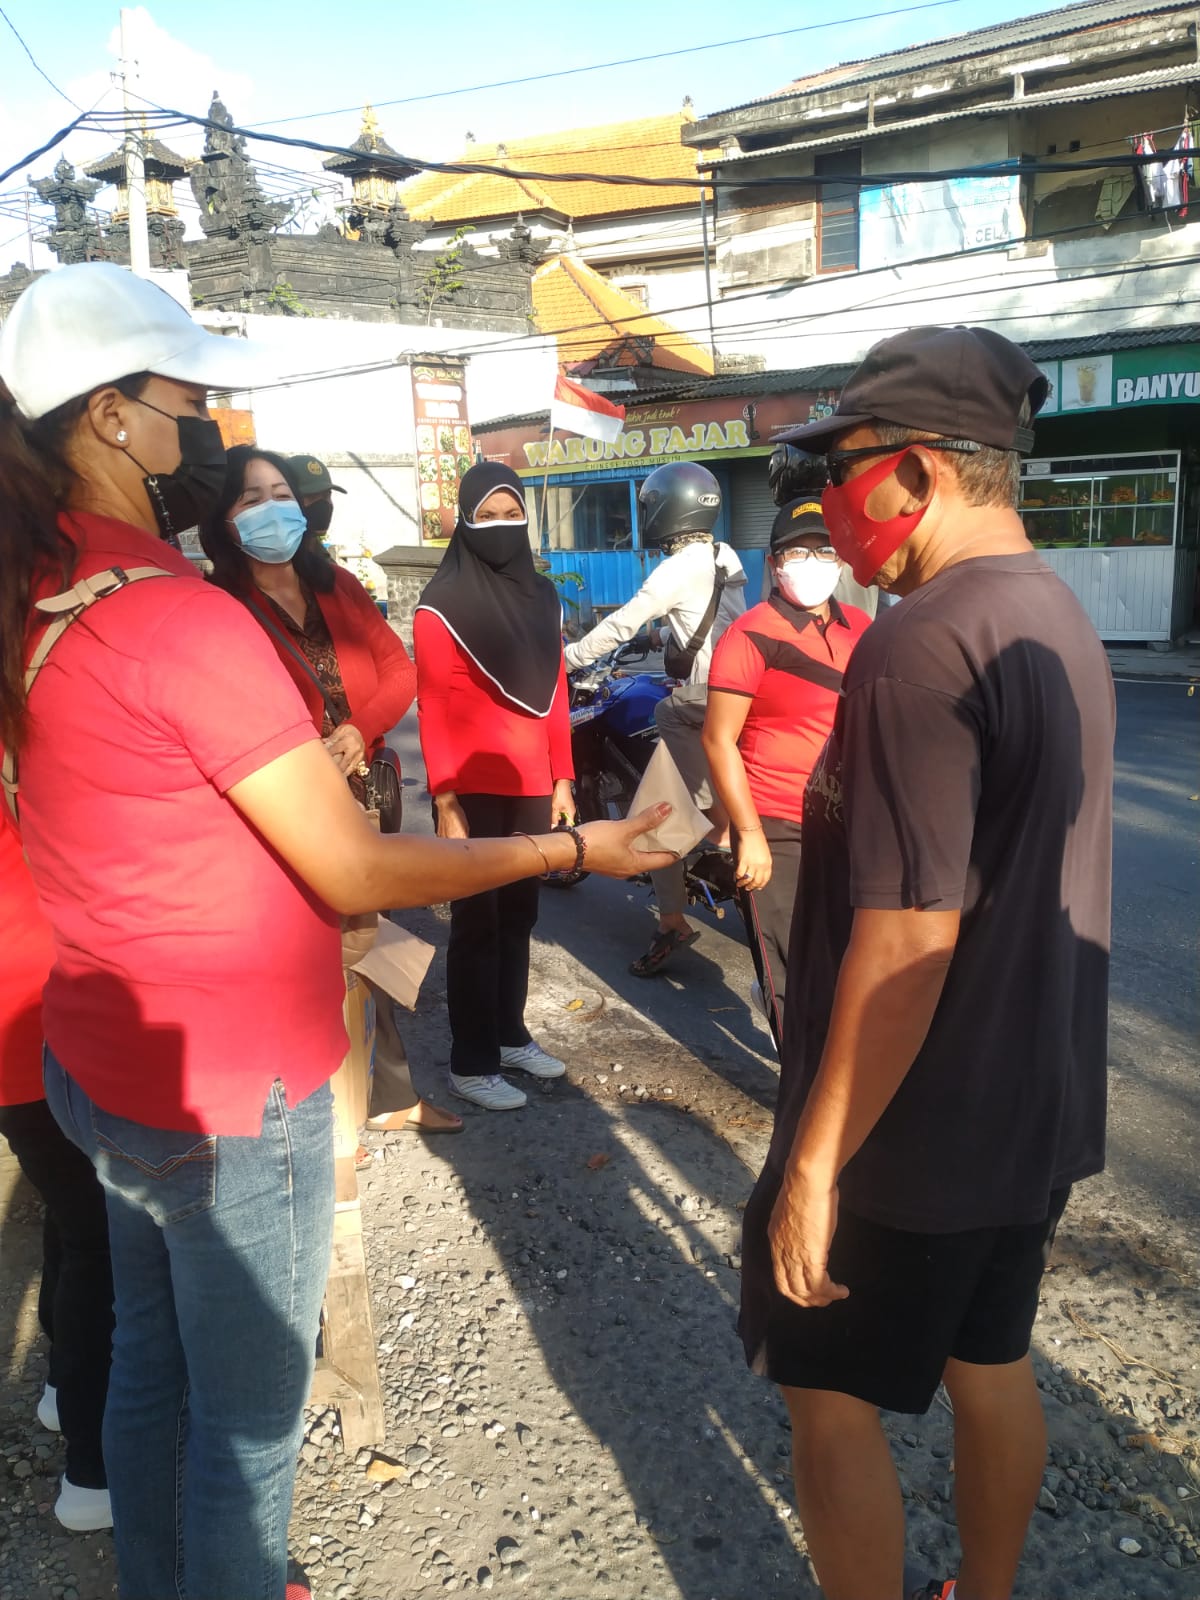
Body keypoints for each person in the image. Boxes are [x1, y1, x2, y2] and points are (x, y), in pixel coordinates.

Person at [0, 260, 672, 1600]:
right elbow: (354, 864)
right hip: (233, 1087)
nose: (211, 432)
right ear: (110, 419)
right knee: (245, 1435)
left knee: (144, 1366)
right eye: (188, 402)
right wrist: (578, 847)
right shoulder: (177, 622)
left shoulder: (40, 596)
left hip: (107, 1064)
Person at [738, 326, 1114, 1600]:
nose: (825, 509)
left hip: (919, 1126)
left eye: (838, 473)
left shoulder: (915, 642)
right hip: (1035, 1101)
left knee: (827, 1398)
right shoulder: (1051, 609)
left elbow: (907, 936)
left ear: (915, 474)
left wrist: (815, 1162)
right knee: (989, 1363)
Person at [202, 446, 462, 1137]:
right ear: (224, 520)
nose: (271, 508)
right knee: (306, 950)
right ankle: (315, 1107)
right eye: (250, 498)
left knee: (373, 941)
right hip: (291, 804)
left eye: (279, 492)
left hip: (371, 787)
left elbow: (397, 671)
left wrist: (358, 729)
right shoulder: (220, 603)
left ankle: (390, 1095)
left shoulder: (336, 584)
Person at [414, 462, 578, 1113]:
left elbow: (557, 689)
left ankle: (509, 1036)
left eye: (513, 512)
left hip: (532, 782)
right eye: (488, 514)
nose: (502, 525)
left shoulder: (542, 597)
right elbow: (431, 704)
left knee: (521, 917)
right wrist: (445, 798)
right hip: (472, 788)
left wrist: (563, 775)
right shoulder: (439, 605)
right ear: (465, 520)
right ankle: (470, 1060)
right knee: (476, 925)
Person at [564, 461, 747, 976]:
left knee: (655, 810)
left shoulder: (676, 567)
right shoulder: (722, 554)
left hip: (701, 704)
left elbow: (622, 621)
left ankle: (673, 918)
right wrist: (661, 637)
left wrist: (570, 657)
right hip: (739, 693)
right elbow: (710, 620)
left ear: (665, 508)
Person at [702, 499, 870, 1050]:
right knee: (789, 958)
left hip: (848, 818)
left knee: (846, 953)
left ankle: (832, 1066)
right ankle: (802, 1085)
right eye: (799, 550)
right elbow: (718, 738)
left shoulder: (863, 629)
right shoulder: (750, 635)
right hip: (776, 819)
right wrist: (747, 834)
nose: (814, 560)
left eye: (825, 549)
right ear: (776, 563)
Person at [0, 817, 114, 1533]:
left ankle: (61, 1383)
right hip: (33, 1023)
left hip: (31, 1029)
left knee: (73, 1219)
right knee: (101, 1240)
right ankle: (93, 1472)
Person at [286, 450, 344, 539]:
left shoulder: (314, 550)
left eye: (326, 495)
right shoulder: (275, 551)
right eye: (311, 496)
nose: (322, 505)